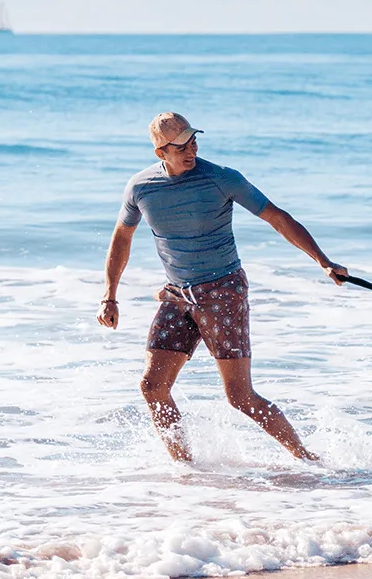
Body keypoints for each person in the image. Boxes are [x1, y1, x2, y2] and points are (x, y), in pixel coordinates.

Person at [97, 112, 346, 463]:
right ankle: (187, 471)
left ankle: (308, 460)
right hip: (177, 294)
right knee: (152, 387)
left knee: (240, 396)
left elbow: (276, 216)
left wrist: (323, 261)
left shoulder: (221, 178)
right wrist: (109, 296)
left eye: (193, 140)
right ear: (161, 153)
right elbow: (122, 237)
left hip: (222, 292)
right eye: (181, 145)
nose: (191, 149)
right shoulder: (141, 188)